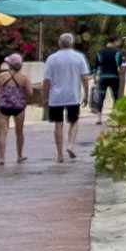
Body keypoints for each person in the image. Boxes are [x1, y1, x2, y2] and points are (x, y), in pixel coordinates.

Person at [43, 32, 90, 161]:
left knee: (58, 124)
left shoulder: (52, 58)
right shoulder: (79, 57)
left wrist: (45, 97)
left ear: (59, 43)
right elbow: (85, 78)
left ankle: (59, 155)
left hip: (55, 96)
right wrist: (86, 95)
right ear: (72, 43)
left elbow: (46, 80)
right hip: (73, 95)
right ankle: (70, 144)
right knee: (74, 121)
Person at [0, 52, 28, 165]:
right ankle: (19, 155)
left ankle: (1, 158)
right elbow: (30, 92)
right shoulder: (23, 77)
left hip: (4, 106)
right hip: (19, 106)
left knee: (2, 132)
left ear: (10, 64)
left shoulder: (1, 76)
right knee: (19, 132)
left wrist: (0, 97)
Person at [93, 37, 123, 120]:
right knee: (115, 96)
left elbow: (96, 66)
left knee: (101, 97)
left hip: (103, 77)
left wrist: (95, 77)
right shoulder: (117, 52)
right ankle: (117, 115)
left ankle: (99, 118)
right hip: (114, 77)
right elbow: (119, 66)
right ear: (115, 41)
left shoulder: (100, 52)